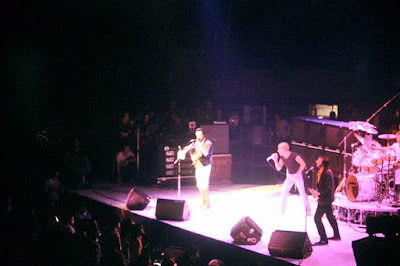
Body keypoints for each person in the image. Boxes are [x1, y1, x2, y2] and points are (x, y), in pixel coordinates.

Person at [269, 142, 311, 215]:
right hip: (290, 176)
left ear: (284, 149)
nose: (278, 151)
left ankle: (308, 210)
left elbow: (303, 164)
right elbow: (278, 168)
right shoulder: (282, 157)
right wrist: (275, 160)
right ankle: (282, 210)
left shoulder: (294, 155)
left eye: (279, 149)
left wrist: (297, 173)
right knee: (284, 192)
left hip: (297, 176)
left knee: (302, 193)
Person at [309, 156, 341, 245]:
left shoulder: (326, 173)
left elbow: (329, 188)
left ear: (322, 162)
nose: (316, 161)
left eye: (318, 160)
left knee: (317, 218)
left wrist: (319, 194)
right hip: (326, 199)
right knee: (330, 217)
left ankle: (323, 239)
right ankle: (337, 235)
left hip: (325, 200)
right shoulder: (323, 172)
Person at [190, 128, 213, 209]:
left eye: (199, 135)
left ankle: (207, 203)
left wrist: (197, 156)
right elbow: (192, 151)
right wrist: (193, 158)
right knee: (199, 184)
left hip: (205, 165)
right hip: (198, 165)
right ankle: (202, 202)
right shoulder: (195, 143)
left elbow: (204, 154)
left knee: (204, 184)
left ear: (203, 135)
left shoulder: (208, 143)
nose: (198, 136)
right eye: (197, 135)